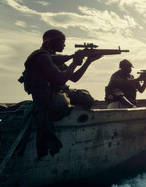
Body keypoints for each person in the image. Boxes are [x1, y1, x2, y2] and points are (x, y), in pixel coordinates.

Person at [20, 29, 99, 159]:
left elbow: (73, 78)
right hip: (47, 96)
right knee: (81, 99)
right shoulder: (40, 56)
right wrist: (74, 61)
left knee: (87, 98)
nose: (64, 45)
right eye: (62, 42)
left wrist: (88, 61)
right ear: (50, 42)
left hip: (56, 92)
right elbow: (60, 79)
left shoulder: (53, 57)